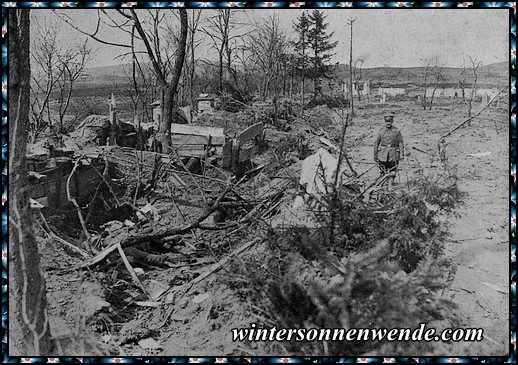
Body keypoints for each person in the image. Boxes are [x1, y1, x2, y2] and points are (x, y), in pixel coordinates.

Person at [374, 114, 404, 186]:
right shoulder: (381, 131)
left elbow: (401, 143)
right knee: (383, 170)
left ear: (392, 121)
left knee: (393, 170)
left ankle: (390, 184)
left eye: (390, 121)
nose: (388, 123)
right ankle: (383, 184)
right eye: (387, 121)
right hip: (383, 154)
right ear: (385, 122)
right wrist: (375, 155)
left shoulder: (396, 131)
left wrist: (402, 155)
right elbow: (376, 143)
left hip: (394, 154)